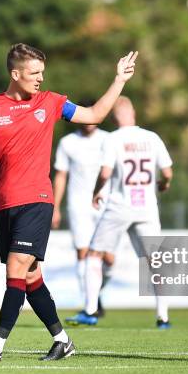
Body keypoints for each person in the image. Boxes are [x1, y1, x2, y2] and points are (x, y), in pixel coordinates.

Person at [0, 43, 138, 362]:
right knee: (32, 276)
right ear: (15, 73)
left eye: (42, 73)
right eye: (34, 73)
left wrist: (118, 80)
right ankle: (62, 340)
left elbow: (94, 114)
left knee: (16, 267)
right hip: (7, 203)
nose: (40, 79)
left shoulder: (51, 102)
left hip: (37, 199)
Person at [66, 96, 173, 328]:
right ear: (133, 112)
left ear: (112, 118)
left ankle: (91, 310)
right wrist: (163, 184)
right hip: (146, 207)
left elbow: (105, 173)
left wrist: (96, 192)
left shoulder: (113, 139)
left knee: (93, 255)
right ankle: (163, 317)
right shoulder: (151, 137)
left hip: (119, 205)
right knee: (155, 261)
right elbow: (167, 172)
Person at [52, 110, 115, 318]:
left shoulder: (108, 139)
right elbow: (61, 176)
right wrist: (55, 207)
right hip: (78, 204)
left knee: (109, 259)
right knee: (83, 252)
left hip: (106, 203)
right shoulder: (67, 142)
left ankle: (96, 292)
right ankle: (91, 304)